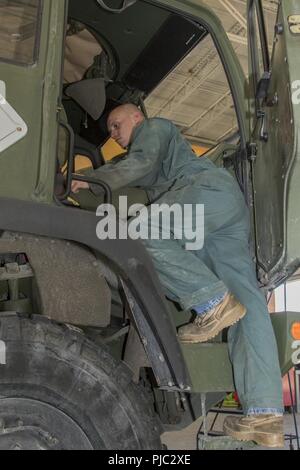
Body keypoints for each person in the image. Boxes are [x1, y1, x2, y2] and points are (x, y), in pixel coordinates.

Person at [71, 103, 284, 448]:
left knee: (138, 232)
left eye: (115, 124)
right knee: (249, 305)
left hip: (205, 192)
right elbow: (132, 169)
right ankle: (265, 415)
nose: (113, 133)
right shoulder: (154, 155)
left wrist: (88, 180)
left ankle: (212, 302)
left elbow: (139, 163)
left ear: (136, 117)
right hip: (223, 213)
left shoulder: (153, 128)